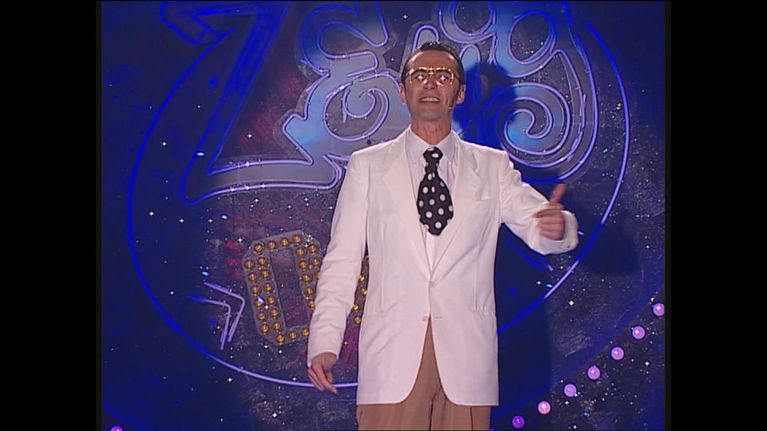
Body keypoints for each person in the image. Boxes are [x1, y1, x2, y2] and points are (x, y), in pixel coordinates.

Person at [306, 41, 578, 430]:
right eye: (419, 75)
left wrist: (557, 227)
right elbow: (342, 262)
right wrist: (324, 341)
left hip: (466, 362)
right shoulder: (368, 166)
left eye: (443, 75)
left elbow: (540, 225)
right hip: (392, 358)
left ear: (460, 93)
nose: (430, 83)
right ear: (403, 91)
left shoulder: (491, 167)